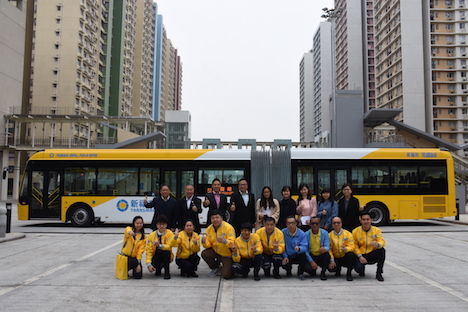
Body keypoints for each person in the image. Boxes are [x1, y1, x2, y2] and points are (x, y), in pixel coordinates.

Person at [201, 209, 236, 279]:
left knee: (226, 276)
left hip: (227, 254)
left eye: (217, 218)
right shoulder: (209, 229)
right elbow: (208, 246)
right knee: (204, 253)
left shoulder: (228, 228)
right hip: (216, 251)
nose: (215, 220)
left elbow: (233, 243)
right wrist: (204, 242)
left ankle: (232, 266)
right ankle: (216, 268)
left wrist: (224, 241)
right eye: (213, 218)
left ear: (221, 218)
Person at [353, 211, 386, 281]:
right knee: (358, 269)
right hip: (361, 254)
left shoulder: (376, 230)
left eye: (367, 219)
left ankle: (379, 273)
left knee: (382, 250)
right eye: (364, 219)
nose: (366, 221)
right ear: (360, 220)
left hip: (372, 253)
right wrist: (360, 256)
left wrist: (377, 244)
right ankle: (361, 270)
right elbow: (354, 246)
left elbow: (382, 241)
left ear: (371, 220)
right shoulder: (355, 231)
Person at [146, 215, 176, 279]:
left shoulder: (170, 233)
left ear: (166, 225)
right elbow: (148, 250)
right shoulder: (152, 235)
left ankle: (167, 272)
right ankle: (158, 268)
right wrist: (149, 264)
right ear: (156, 225)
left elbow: (169, 246)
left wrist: (159, 245)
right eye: (160, 224)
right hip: (156, 255)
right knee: (155, 265)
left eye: (163, 224)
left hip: (166, 256)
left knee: (166, 252)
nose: (161, 226)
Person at [328, 216, 357, 281]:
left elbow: (353, 246)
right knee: (331, 269)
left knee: (351, 255)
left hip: (345, 256)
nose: (336, 224)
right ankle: (337, 270)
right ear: (332, 224)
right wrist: (332, 260)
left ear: (341, 224)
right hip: (336, 257)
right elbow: (329, 249)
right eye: (334, 223)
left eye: (338, 222)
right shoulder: (329, 235)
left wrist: (347, 249)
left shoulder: (348, 234)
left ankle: (349, 273)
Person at [281, 215, 309, 280]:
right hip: (287, 254)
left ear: (296, 223)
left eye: (293, 223)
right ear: (286, 224)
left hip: (297, 254)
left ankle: (300, 273)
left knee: (303, 255)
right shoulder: (282, 232)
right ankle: (288, 270)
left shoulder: (302, 233)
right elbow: (282, 245)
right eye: (289, 223)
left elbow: (305, 246)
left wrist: (299, 249)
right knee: (281, 261)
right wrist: (285, 256)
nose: (291, 225)